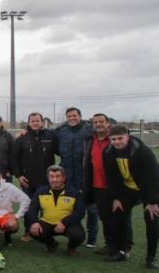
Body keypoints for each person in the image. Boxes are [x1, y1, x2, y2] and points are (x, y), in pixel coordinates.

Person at [103, 126, 159, 269]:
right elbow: (111, 177)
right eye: (113, 139)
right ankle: (122, 251)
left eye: (120, 138)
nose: (117, 142)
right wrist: (116, 197)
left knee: (151, 218)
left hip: (148, 188)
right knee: (118, 214)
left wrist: (152, 201)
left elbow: (154, 177)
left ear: (127, 137)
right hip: (128, 188)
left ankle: (151, 258)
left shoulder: (142, 152)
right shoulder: (107, 152)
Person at [55, 107, 98, 247]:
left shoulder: (90, 130)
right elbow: (47, 136)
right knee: (70, 207)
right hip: (67, 176)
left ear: (80, 116)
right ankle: (72, 233)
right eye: (69, 116)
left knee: (91, 209)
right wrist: (25, 131)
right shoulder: (61, 130)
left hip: (86, 175)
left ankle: (92, 239)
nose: (72, 118)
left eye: (74, 116)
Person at [24, 165, 86, 255]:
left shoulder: (74, 192)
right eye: (51, 177)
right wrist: (34, 222)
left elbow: (80, 212)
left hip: (67, 224)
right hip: (47, 222)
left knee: (78, 235)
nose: (54, 180)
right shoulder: (41, 191)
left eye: (58, 176)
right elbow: (32, 209)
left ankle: (71, 248)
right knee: (33, 231)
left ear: (63, 178)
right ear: (48, 178)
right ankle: (51, 244)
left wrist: (64, 223)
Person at [84, 113, 117, 252]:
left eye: (101, 121)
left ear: (108, 123)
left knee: (120, 218)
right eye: (95, 122)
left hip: (115, 187)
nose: (98, 124)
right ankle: (109, 245)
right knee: (105, 218)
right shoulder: (92, 139)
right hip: (98, 186)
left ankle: (123, 248)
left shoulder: (115, 139)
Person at [12, 112, 58, 198]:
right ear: (29, 123)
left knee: (46, 208)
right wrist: (19, 175)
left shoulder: (51, 136)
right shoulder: (22, 137)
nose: (35, 123)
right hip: (27, 180)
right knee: (29, 207)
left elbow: (61, 152)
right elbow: (14, 158)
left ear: (42, 122)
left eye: (37, 121)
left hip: (46, 180)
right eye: (32, 121)